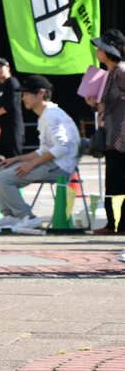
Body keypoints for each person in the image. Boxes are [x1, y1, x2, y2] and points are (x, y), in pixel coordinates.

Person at [0, 75, 80, 230]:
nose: (23, 98)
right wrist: (15, 159)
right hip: (53, 163)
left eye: (26, 94)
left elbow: (61, 147)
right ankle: (10, 216)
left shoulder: (51, 115)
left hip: (61, 167)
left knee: (5, 178)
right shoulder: (47, 114)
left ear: (40, 93)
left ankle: (27, 217)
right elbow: (44, 150)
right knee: (3, 169)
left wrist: (30, 164)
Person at [86, 29, 125, 235]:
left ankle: (119, 225)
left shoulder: (121, 71)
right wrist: (95, 104)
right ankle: (112, 225)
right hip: (112, 135)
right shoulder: (109, 74)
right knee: (112, 182)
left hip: (121, 136)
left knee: (120, 180)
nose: (97, 51)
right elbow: (108, 106)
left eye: (100, 48)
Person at [0, 57, 24, 160]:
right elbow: (0, 107)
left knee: (13, 156)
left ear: (8, 68)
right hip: (4, 128)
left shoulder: (12, 82)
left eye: (0, 67)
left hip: (13, 126)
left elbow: (9, 106)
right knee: (3, 156)